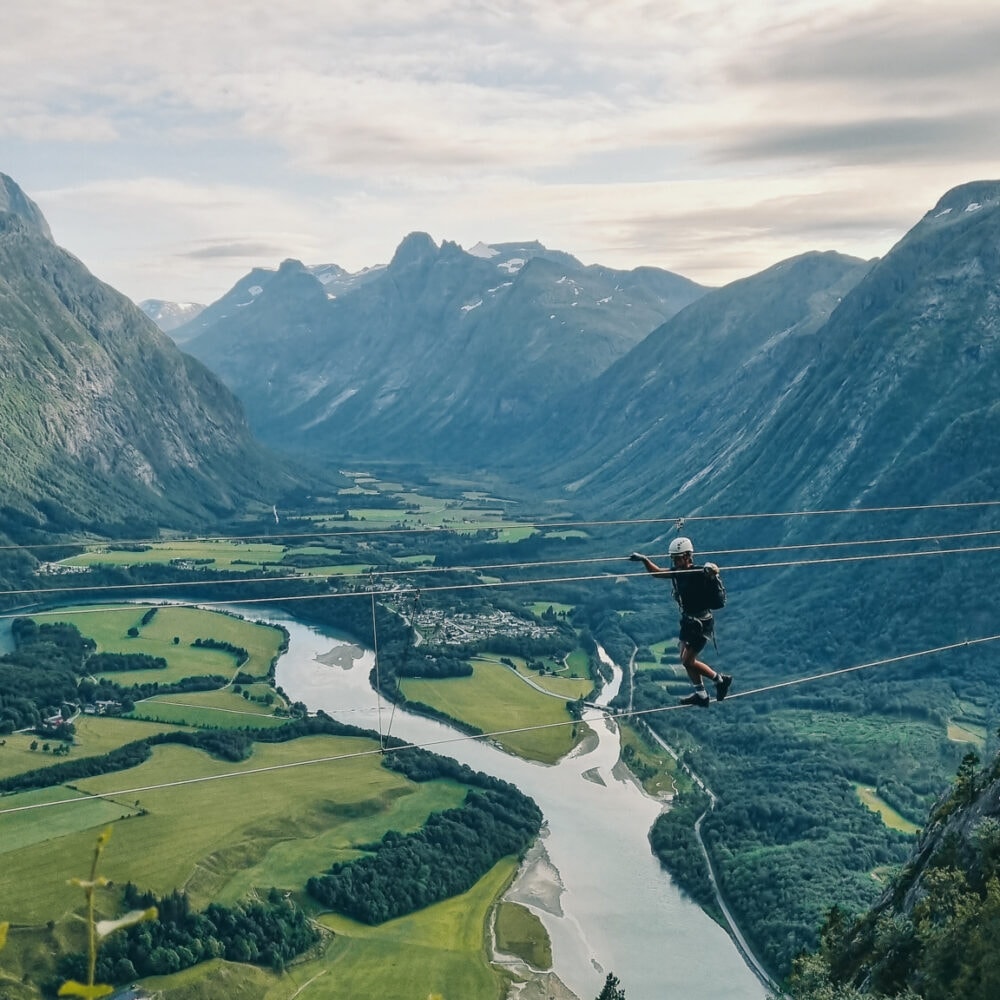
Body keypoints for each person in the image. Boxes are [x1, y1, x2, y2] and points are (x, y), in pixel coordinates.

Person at [630, 537, 733, 707]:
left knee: (687, 661)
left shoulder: (700, 572)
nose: (675, 561)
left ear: (687, 556)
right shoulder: (678, 573)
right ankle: (701, 694)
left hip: (701, 624)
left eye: (677, 558)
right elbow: (657, 573)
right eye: (673, 558)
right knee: (683, 655)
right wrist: (644, 560)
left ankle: (721, 680)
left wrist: (712, 570)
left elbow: (713, 572)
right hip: (688, 622)